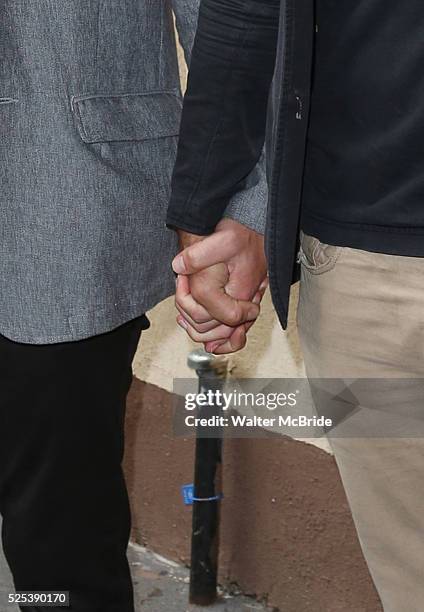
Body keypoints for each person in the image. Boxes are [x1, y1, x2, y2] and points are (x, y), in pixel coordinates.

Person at [0, 2, 266, 610]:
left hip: (60, 206)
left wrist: (243, 208)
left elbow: (235, 27)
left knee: (56, 552)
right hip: (63, 208)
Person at [167, 1, 424, 610]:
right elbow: (243, 12)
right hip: (364, 272)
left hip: (364, 269)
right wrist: (207, 212)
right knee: (412, 575)